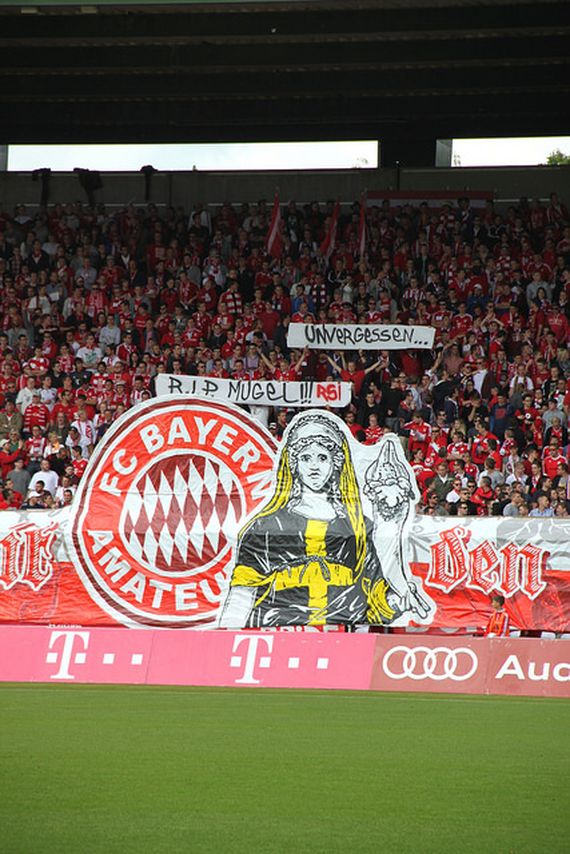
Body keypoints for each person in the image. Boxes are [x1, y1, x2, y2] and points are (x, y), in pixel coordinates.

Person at [219, 411, 430, 628]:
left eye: (322, 457)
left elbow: (374, 596)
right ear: (293, 463)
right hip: (279, 637)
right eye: (305, 457)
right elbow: (241, 595)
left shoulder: (358, 526)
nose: (314, 466)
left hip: (340, 637)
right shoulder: (265, 526)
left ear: (335, 463)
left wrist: (400, 601)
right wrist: (227, 636)